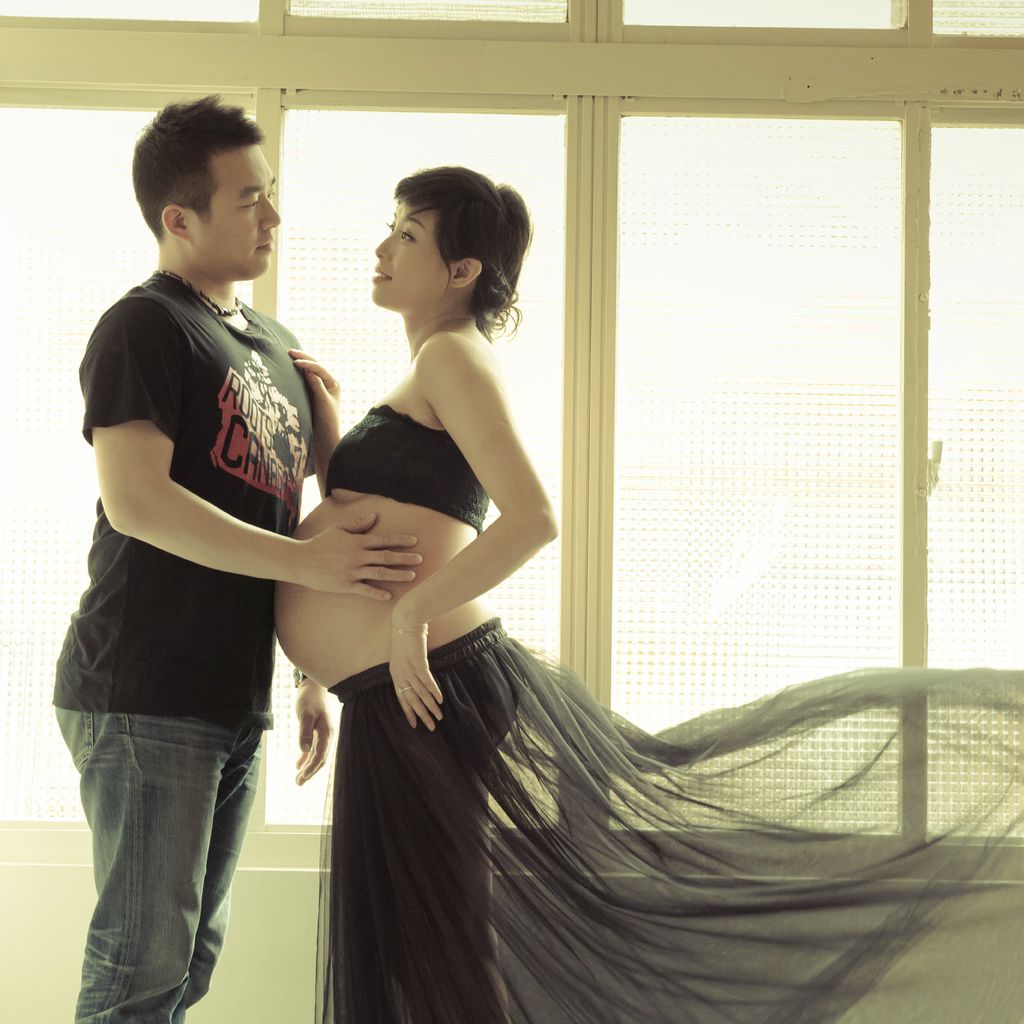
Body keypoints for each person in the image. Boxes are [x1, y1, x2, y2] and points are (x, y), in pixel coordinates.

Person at [276, 166, 1024, 1024]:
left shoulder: (449, 356)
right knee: (419, 945)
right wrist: (332, 462)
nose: (382, 247)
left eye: (406, 234)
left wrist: (408, 619)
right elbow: (380, 525)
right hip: (398, 689)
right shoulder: (435, 364)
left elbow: (533, 518)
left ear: (461, 271)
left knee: (439, 947)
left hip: (428, 686)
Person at [53, 95, 423, 1024]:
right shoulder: (143, 327)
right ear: (179, 218)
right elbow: (136, 502)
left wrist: (308, 673)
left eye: (271, 193)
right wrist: (307, 570)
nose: (274, 216)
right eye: (250, 199)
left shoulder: (275, 345)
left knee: (190, 963)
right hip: (142, 687)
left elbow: (285, 514)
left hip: (229, 692)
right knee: (141, 966)